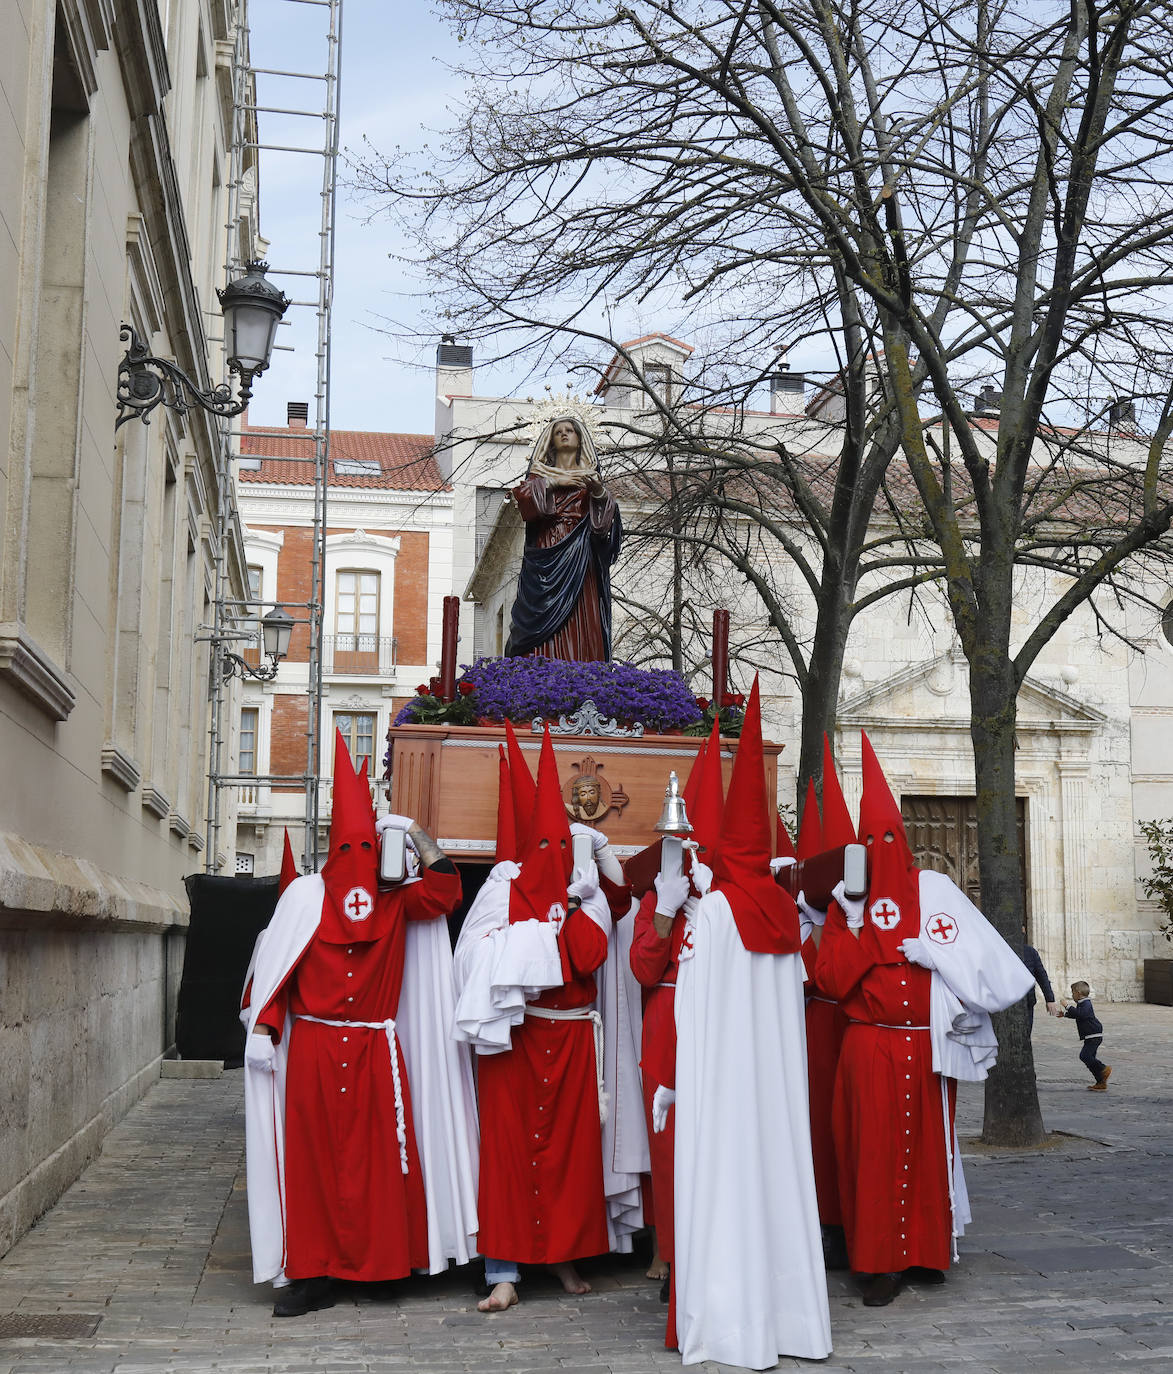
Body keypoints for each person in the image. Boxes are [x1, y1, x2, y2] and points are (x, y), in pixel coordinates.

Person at [242, 732, 479, 1317]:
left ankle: (379, 1266)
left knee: (380, 1161)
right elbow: (281, 970)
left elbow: (449, 889)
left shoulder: (397, 901)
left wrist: (413, 831)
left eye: (365, 849)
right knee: (314, 1164)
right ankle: (314, 1271)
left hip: (377, 1049)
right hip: (315, 1048)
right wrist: (267, 1029)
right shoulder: (304, 900)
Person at [817, 732, 1034, 1308]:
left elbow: (972, 955)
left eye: (891, 837)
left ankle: (924, 1252)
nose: (883, 847)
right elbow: (832, 982)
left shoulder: (934, 891)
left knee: (928, 1151)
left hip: (927, 1048)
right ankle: (878, 1263)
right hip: (871, 1047)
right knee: (874, 1155)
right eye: (872, 840)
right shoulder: (846, 906)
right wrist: (860, 926)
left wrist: (933, 954)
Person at [669, 677, 832, 1368]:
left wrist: (686, 1074)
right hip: (773, 1089)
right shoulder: (784, 918)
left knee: (723, 1189)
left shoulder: (712, 912)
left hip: (720, 1081)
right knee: (776, 1186)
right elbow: (795, 993)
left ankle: (731, 1325)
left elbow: (688, 1001)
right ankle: (792, 1324)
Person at [452, 726, 614, 1312]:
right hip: (513, 1039)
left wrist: (575, 903)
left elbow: (587, 958)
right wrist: (526, 941)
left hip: (570, 1040)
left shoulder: (585, 891)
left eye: (559, 845)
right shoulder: (500, 893)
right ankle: (505, 1272)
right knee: (509, 1153)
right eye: (541, 846)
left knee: (570, 1154)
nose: (551, 856)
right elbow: (472, 960)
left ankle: (566, 1256)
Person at [628, 721, 724, 1304]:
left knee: (713, 1131)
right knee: (666, 1138)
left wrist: (712, 907)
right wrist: (665, 910)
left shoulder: (717, 899)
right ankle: (667, 1243)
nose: (684, 857)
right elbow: (643, 967)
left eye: (690, 848)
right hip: (665, 1020)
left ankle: (711, 1240)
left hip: (712, 1018)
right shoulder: (655, 899)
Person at [505, 415, 622, 661]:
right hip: (548, 546)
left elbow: (604, 523)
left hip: (581, 554)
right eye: (558, 432)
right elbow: (524, 498)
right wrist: (555, 481)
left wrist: (598, 492)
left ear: (580, 439)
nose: (564, 434)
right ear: (551, 441)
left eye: (570, 430)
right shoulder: (539, 475)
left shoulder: (591, 477)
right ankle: (541, 670)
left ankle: (582, 669)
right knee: (543, 608)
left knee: (582, 610)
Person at [1060, 981, 1111, 1089]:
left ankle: (1103, 1069)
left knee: (1084, 1056)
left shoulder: (1086, 1003)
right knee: (1090, 1059)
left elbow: (1081, 1014)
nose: (1072, 995)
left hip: (1093, 1034)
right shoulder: (1082, 1003)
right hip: (1091, 1035)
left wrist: (1067, 1006)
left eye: (1072, 993)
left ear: (1078, 993)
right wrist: (1064, 1014)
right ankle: (1101, 1082)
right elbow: (1078, 1015)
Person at [1023, 944, 1058, 1033]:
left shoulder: (1030, 952)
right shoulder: (1000, 949)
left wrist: (1049, 999)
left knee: (1026, 1034)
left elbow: (1042, 976)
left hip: (1027, 1001)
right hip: (1005, 1003)